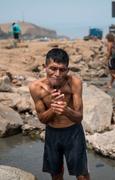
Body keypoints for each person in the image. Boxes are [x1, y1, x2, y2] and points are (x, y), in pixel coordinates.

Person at [29, 48, 90, 180]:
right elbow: (42, 119)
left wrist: (66, 109)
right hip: (52, 134)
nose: (57, 73)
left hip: (73, 132)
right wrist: (54, 109)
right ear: (45, 67)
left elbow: (79, 117)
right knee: (56, 174)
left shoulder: (74, 83)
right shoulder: (36, 87)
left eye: (62, 69)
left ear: (67, 70)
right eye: (53, 68)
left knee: (82, 175)